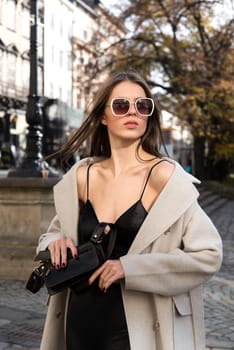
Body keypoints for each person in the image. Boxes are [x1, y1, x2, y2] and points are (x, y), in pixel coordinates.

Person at [36, 70, 222, 350]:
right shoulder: (83, 176)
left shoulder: (166, 178)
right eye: (121, 105)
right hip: (77, 322)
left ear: (149, 115)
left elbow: (208, 254)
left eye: (142, 105)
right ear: (103, 116)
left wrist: (130, 268)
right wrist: (56, 243)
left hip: (137, 330)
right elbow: (52, 235)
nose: (132, 112)